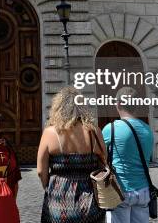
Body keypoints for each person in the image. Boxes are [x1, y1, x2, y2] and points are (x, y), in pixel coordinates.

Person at [37, 87, 106, 223]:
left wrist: (50, 187)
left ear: (58, 107)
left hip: (57, 200)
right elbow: (104, 160)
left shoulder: (50, 133)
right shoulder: (94, 132)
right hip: (90, 201)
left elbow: (40, 171)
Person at [102, 87, 154, 223]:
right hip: (143, 191)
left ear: (118, 104)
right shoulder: (147, 129)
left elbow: (98, 154)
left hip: (120, 191)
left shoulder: (111, 128)